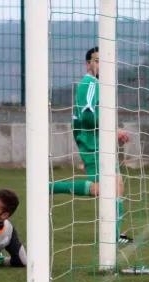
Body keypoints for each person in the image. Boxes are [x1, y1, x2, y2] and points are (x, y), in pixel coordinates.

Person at [49, 46, 133, 244]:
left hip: (100, 141)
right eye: (97, 60)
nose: (101, 64)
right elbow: (87, 117)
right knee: (102, 189)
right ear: (88, 64)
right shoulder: (89, 84)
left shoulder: (99, 85)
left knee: (118, 186)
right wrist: (113, 131)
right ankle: (50, 187)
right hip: (92, 143)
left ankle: (114, 236)